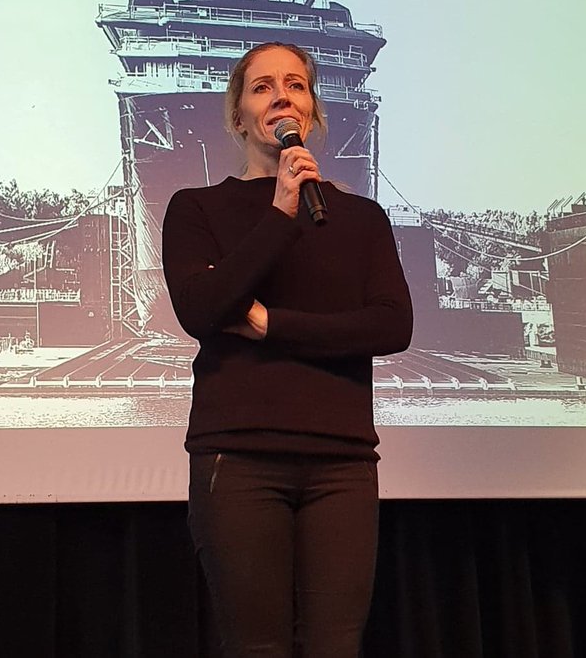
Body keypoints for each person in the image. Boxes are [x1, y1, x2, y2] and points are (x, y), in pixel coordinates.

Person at [161, 42, 413, 657]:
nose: (281, 96)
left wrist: (272, 324)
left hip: (341, 462)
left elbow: (391, 327)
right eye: (263, 86)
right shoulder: (197, 209)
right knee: (257, 648)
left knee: (336, 647)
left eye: (296, 85)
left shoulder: (362, 218)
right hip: (238, 459)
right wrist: (279, 211)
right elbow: (202, 310)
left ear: (313, 111)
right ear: (238, 115)